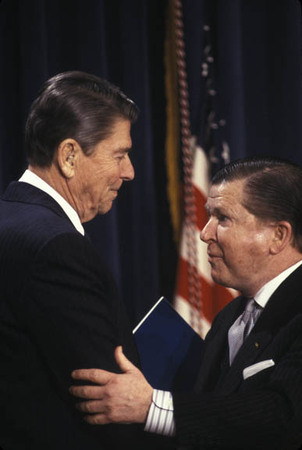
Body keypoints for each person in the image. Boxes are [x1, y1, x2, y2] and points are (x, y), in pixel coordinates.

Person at [70, 156, 302, 450]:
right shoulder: (229, 317)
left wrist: (154, 407)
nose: (205, 234)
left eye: (223, 218)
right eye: (209, 216)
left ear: (278, 236)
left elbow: (282, 414)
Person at [0, 71, 172, 450]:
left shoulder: (11, 219)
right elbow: (108, 406)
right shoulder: (56, 247)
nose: (129, 172)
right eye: (120, 154)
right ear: (69, 156)